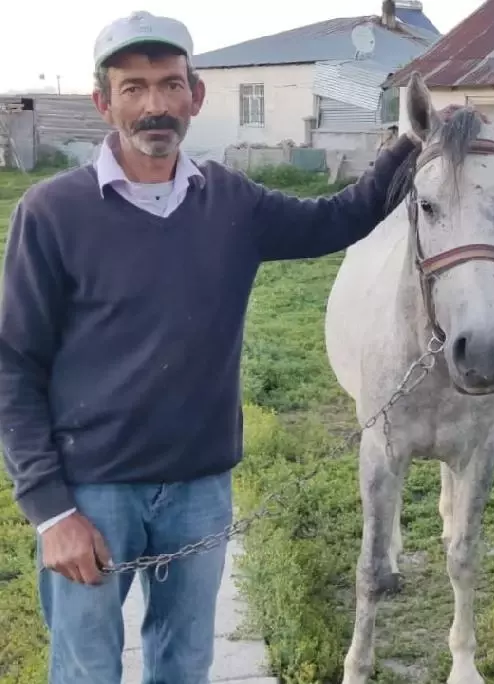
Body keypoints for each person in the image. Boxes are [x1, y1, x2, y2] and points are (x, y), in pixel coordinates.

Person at [0, 10, 417, 684]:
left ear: (195, 96)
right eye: (133, 88)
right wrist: (52, 512)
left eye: (169, 85)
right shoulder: (51, 213)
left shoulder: (231, 202)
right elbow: (14, 366)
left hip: (199, 486)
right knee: (84, 669)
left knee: (185, 664)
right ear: (104, 102)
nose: (154, 105)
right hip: (91, 489)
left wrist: (407, 144)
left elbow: (337, 218)